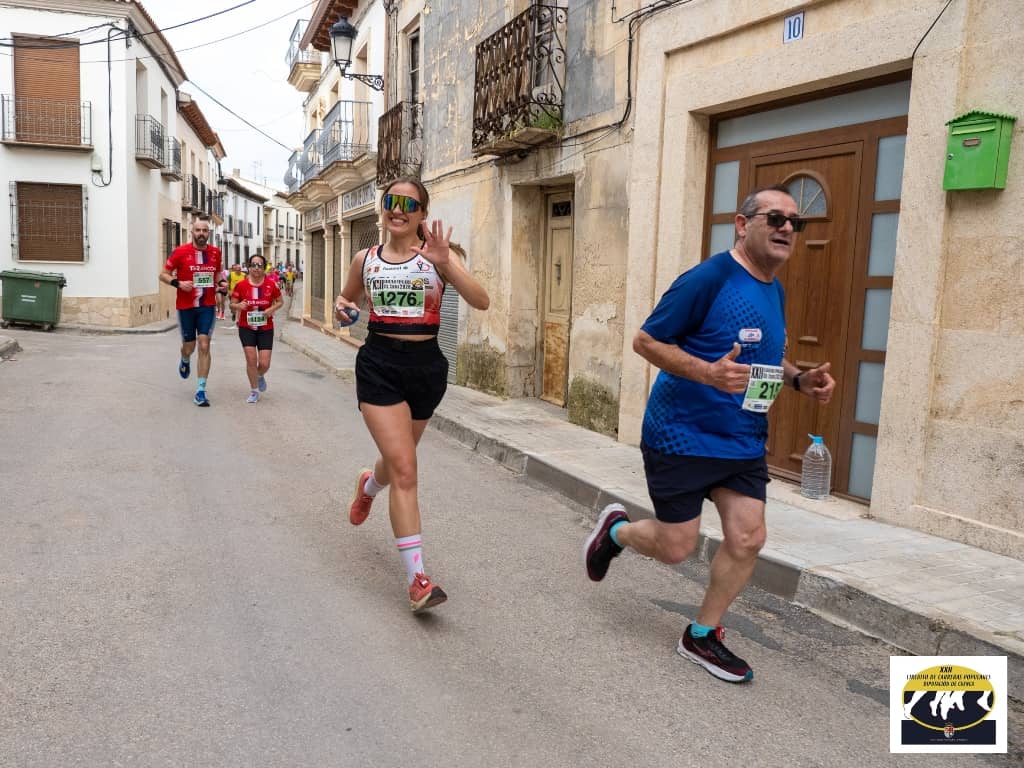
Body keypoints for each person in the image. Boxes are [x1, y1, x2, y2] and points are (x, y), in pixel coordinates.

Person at [584, 185, 835, 683]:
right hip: (681, 434)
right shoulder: (708, 278)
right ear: (742, 225)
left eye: (795, 222)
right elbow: (646, 341)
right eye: (775, 218)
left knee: (749, 536)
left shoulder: (774, 288)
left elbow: (765, 355)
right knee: (676, 547)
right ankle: (615, 531)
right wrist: (707, 373)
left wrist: (798, 380)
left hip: (742, 438)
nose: (787, 228)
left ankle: (701, 634)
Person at [335, 178, 489, 612]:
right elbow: (345, 301)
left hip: (426, 370)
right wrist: (344, 311)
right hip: (378, 367)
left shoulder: (439, 256)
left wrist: (447, 264)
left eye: (408, 203)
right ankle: (418, 580)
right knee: (405, 468)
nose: (397, 210)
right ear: (382, 207)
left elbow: (482, 301)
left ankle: (368, 485)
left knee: (396, 462)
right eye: (391, 201)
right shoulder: (365, 259)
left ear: (422, 213)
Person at [160, 217, 222, 407]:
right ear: (192, 232)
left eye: (205, 230)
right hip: (186, 307)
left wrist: (222, 284)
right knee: (189, 346)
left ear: (208, 233)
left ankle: (201, 391)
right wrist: (178, 283)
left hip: (207, 306)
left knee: (204, 344)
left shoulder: (215, 253)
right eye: (198, 230)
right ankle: (185, 358)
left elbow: (217, 273)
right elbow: (163, 274)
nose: (201, 233)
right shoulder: (180, 252)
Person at [229, 255, 284, 403]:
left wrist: (271, 309)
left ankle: (259, 375)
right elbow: (232, 304)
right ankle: (254, 391)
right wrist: (238, 306)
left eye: (260, 265)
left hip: (266, 327)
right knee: (251, 360)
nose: (256, 268)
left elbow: (280, 302)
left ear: (264, 267)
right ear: (249, 267)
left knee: (264, 364)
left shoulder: (271, 284)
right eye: (253, 265)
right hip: (246, 327)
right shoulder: (241, 285)